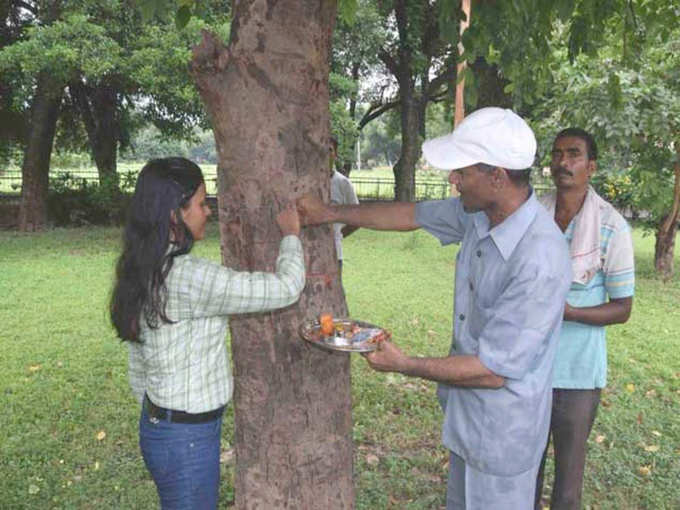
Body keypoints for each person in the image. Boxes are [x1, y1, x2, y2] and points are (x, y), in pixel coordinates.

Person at [298, 107, 572, 510]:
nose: (452, 179)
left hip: (503, 434)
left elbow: (493, 372)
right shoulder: (478, 215)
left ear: (497, 176)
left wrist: (404, 363)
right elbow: (411, 214)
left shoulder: (539, 259)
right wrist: (331, 213)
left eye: (462, 171)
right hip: (465, 418)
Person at [109, 157, 305, 509]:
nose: (207, 211)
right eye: (201, 203)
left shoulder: (144, 264)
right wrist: (291, 234)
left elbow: (138, 353)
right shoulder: (190, 277)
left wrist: (159, 415)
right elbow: (286, 288)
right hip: (186, 439)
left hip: (164, 428)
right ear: (174, 214)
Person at [535, 128, 634, 510]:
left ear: (591, 166)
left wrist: (569, 312)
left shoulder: (610, 226)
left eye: (573, 154)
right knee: (524, 471)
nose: (563, 162)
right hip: (527, 367)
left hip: (577, 375)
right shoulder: (533, 214)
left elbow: (622, 308)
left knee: (567, 488)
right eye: (557, 154)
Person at [329, 136, 359, 282]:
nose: (325, 155)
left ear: (335, 154)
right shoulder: (305, 183)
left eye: (329, 150)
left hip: (334, 253)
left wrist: (338, 235)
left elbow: (357, 219)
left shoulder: (342, 183)